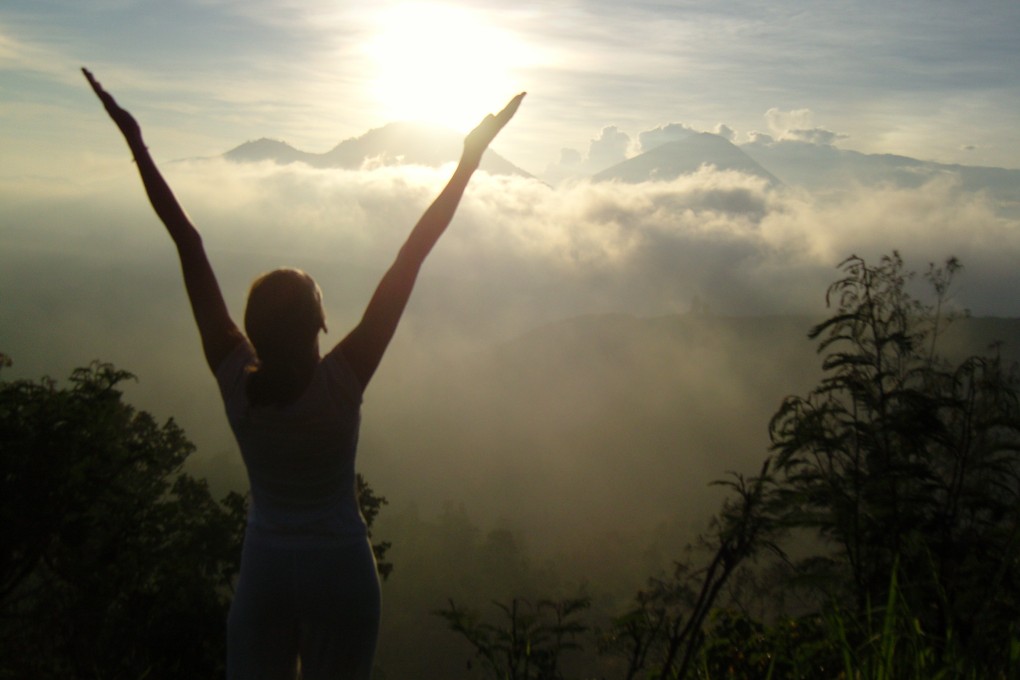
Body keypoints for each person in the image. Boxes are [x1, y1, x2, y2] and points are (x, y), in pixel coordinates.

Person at [83, 67, 523, 680]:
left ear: (252, 328)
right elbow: (411, 255)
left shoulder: (237, 379)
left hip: (266, 570)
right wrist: (468, 162)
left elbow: (187, 241)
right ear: (320, 326)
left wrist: (136, 143)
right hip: (342, 571)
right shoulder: (341, 382)